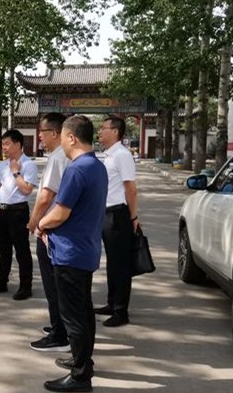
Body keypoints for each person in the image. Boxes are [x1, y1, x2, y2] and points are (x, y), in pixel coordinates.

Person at [37, 115, 107, 392]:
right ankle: (83, 362)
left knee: (73, 317)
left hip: (70, 253)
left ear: (71, 138)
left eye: (64, 138)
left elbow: (60, 212)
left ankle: (80, 376)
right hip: (85, 249)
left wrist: (41, 224)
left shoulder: (77, 169)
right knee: (84, 312)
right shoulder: (97, 166)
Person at [26, 113, 71, 352]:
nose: (39, 137)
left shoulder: (57, 158)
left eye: (42, 132)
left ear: (54, 133)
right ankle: (59, 325)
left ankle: (59, 334)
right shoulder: (65, 156)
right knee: (56, 283)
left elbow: (45, 197)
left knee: (52, 284)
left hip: (50, 228)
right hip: (59, 227)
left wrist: (34, 222)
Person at [96, 116, 139, 327]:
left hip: (118, 214)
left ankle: (121, 311)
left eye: (103, 128)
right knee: (112, 262)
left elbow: (130, 188)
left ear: (115, 131)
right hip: (106, 214)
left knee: (120, 264)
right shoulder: (109, 155)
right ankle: (112, 303)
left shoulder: (122, 155)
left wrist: (133, 216)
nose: (99, 131)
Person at [0, 129, 38, 300]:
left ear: (17, 144)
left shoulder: (28, 165)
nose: (4, 147)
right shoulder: (2, 165)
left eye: (7, 144)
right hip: (1, 211)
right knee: (3, 249)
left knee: (21, 250)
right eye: (3, 144)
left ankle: (25, 286)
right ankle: (1, 282)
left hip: (18, 212)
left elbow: (27, 190)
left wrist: (16, 172)